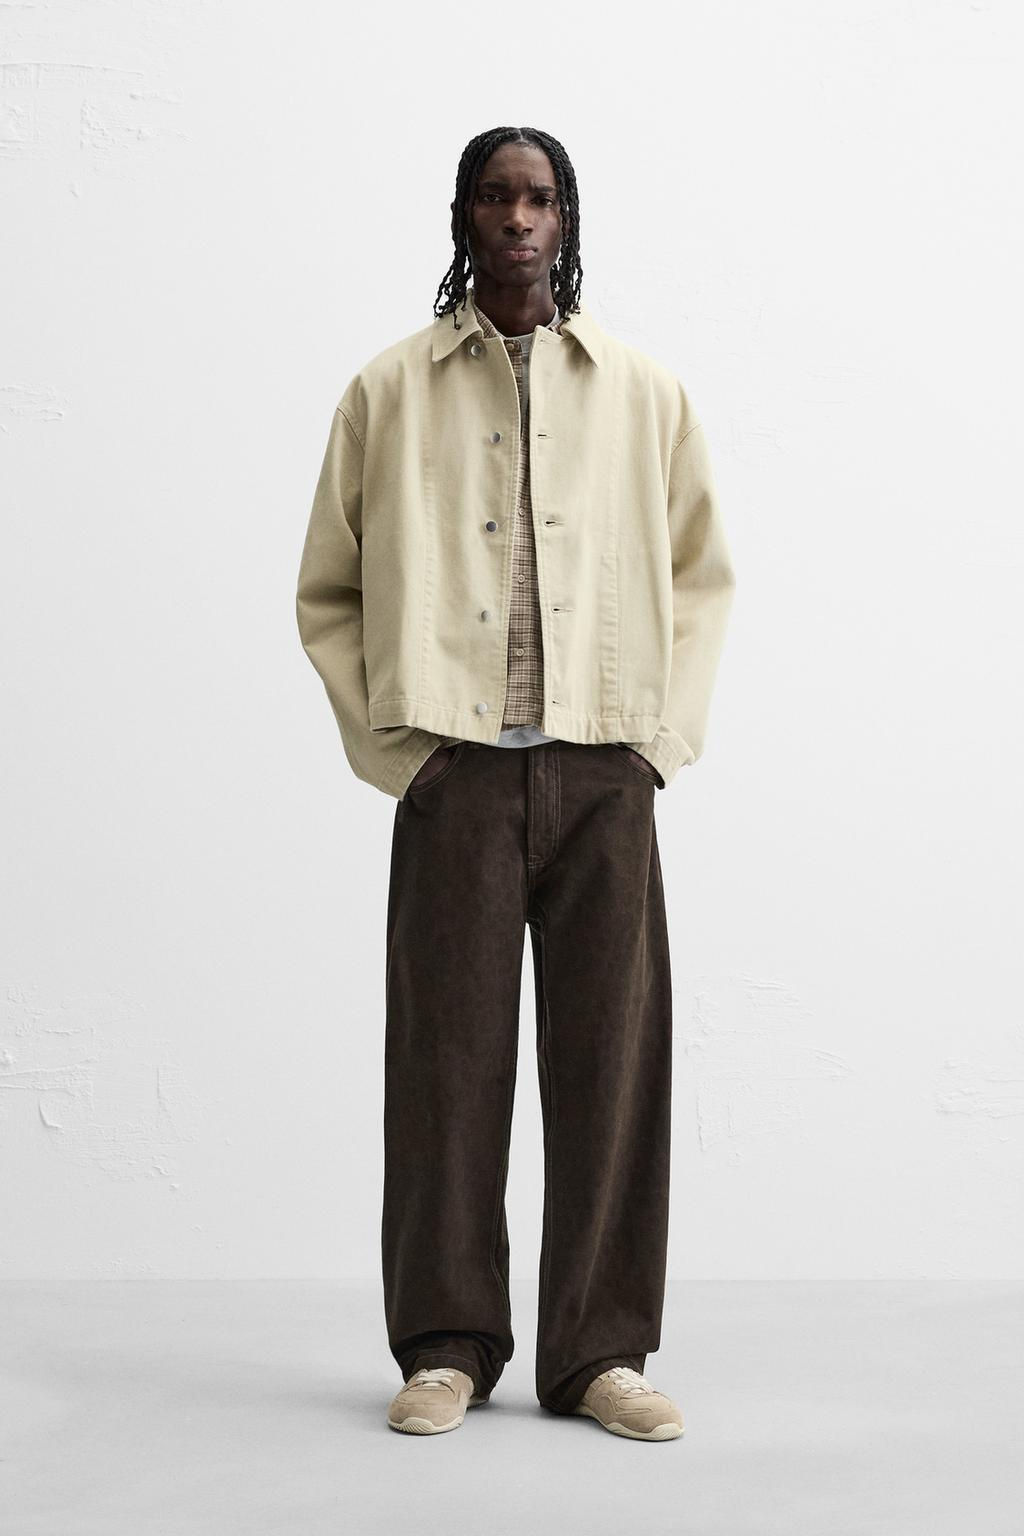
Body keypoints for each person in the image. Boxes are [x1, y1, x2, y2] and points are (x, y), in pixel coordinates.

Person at [295, 125, 736, 1441]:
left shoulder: (642, 392)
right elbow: (328, 592)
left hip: (605, 774)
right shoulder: (389, 392)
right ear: (464, 217)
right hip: (459, 779)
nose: (520, 217)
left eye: (540, 197)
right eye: (497, 196)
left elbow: (702, 578)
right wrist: (406, 759)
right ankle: (445, 1348)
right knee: (447, 1068)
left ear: (566, 218)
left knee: (612, 1073)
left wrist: (654, 747)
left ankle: (600, 1354)